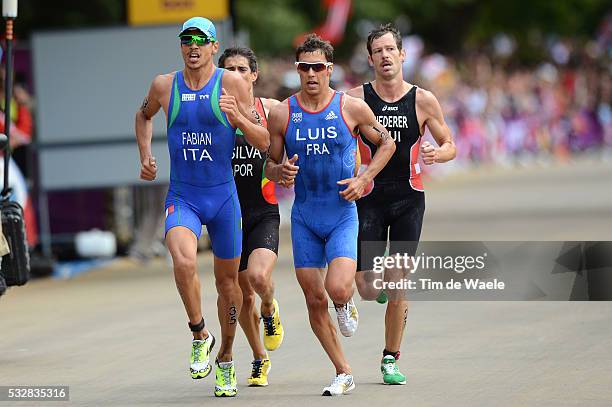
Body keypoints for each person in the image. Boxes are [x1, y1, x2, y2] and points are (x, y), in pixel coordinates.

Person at [135, 17, 270, 397]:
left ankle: (226, 358)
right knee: (183, 261)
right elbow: (142, 116)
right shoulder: (164, 85)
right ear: (181, 46)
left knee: (230, 286)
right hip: (184, 196)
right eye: (186, 40)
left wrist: (239, 116)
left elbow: (263, 142)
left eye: (202, 40)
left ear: (214, 47)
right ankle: (200, 333)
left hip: (224, 199)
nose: (193, 47)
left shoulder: (232, 84)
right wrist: (145, 155)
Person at [265, 34, 395, 396]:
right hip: (305, 216)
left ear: (329, 70)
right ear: (297, 70)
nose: (310, 73)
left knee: (337, 287)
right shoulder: (282, 113)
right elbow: (270, 164)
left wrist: (365, 177)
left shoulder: (349, 108)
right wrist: (279, 173)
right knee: (313, 298)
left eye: (317, 67)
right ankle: (343, 370)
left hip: (341, 213)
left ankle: (345, 302)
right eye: (304, 67)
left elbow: (387, 143)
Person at [347, 23, 456, 385]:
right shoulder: (355, 99)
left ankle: (390, 358)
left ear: (402, 53)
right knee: (365, 288)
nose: (385, 56)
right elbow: (336, 136)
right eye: (378, 51)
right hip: (369, 198)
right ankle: (373, 286)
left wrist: (437, 154)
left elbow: (449, 143)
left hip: (409, 197)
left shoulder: (423, 99)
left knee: (398, 280)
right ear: (370, 58)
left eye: (390, 49)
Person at [218, 46, 284, 387]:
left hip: (263, 211)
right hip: (230, 217)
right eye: (229, 69)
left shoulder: (270, 110)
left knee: (259, 279)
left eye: (242, 69)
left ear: (254, 75)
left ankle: (271, 307)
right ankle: (259, 357)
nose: (237, 75)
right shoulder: (213, 113)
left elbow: (286, 142)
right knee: (241, 295)